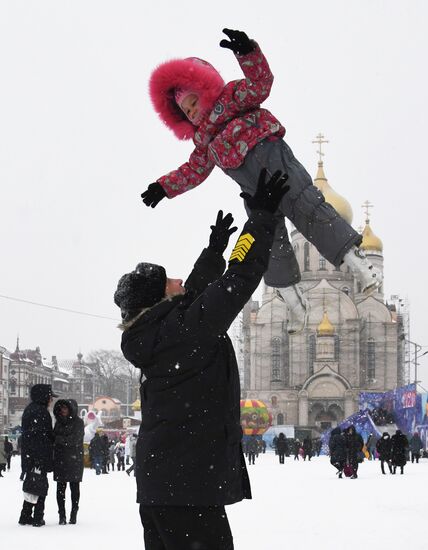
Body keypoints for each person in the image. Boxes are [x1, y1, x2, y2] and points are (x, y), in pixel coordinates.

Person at [143, 28, 382, 333]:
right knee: (267, 236)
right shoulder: (204, 142)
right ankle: (290, 297)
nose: (192, 112)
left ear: (204, 90)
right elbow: (192, 171)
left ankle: (353, 259)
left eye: (193, 102)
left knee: (306, 205)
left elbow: (261, 84)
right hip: (254, 188)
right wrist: (164, 186)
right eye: (186, 112)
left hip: (275, 162)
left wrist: (247, 53)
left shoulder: (232, 98)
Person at [115, 169, 289, 550]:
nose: (178, 281)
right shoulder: (183, 329)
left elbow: (193, 293)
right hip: (187, 488)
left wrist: (213, 252)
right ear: (159, 300)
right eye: (168, 282)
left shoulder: (159, 331)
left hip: (166, 485)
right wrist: (260, 220)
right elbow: (239, 280)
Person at [19, 384, 56, 527]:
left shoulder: (30, 410)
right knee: (40, 486)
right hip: (38, 457)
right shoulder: (41, 412)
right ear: (44, 397)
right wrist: (41, 458)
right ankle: (37, 517)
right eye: (50, 397)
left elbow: (30, 436)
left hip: (30, 456)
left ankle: (25, 515)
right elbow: (41, 437)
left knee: (31, 485)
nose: (51, 400)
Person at [53, 399, 84, 525]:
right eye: (61, 408)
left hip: (74, 460)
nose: (63, 411)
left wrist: (59, 439)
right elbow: (54, 437)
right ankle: (62, 515)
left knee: (74, 488)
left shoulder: (79, 423)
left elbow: (74, 440)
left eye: (65, 408)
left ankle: (73, 514)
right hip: (60, 459)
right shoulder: (58, 422)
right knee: (60, 489)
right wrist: (60, 439)